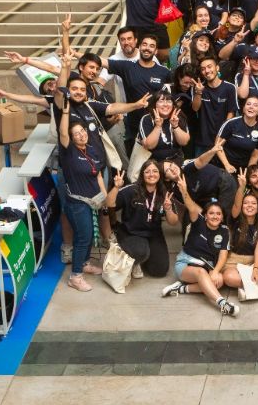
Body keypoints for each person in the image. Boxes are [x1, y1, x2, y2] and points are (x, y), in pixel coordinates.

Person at [160, 193, 238, 317]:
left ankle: (180, 289)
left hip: (207, 266)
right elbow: (191, 208)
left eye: (218, 214)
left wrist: (216, 271)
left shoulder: (224, 231)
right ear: (205, 216)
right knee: (201, 274)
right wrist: (184, 191)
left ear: (222, 217)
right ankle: (222, 303)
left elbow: (223, 255)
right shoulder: (198, 222)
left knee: (220, 281)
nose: (215, 216)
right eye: (211, 213)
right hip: (186, 263)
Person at [104, 161, 180, 279]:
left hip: (153, 234)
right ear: (142, 174)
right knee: (140, 251)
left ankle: (142, 257)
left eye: (155, 171)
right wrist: (116, 187)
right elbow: (109, 203)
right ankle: (135, 259)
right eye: (147, 171)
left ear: (159, 174)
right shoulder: (131, 190)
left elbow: (173, 221)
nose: (151, 174)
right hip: (131, 232)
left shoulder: (164, 193)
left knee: (159, 270)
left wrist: (168, 209)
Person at [57, 109, 106, 292]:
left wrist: (104, 197)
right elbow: (63, 133)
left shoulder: (92, 149)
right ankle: (75, 276)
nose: (81, 135)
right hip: (77, 203)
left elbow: (98, 174)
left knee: (89, 236)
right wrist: (65, 111)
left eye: (83, 131)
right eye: (76, 134)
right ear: (71, 137)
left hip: (93, 201)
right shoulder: (68, 151)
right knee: (83, 237)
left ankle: (84, 263)